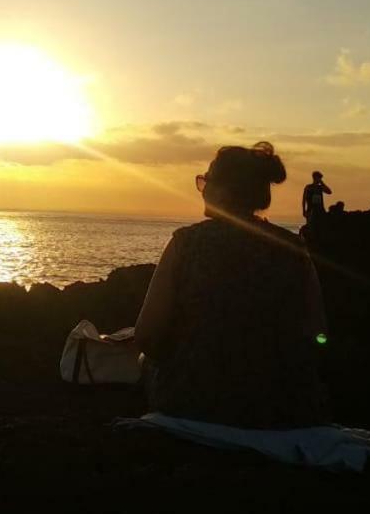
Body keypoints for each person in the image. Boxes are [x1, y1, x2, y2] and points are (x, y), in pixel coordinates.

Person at [134, 142, 329, 429]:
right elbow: (318, 333)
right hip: (281, 406)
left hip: (193, 403)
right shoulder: (292, 248)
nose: (202, 188)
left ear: (224, 190)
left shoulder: (186, 243)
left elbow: (147, 337)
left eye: (206, 181)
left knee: (141, 362)